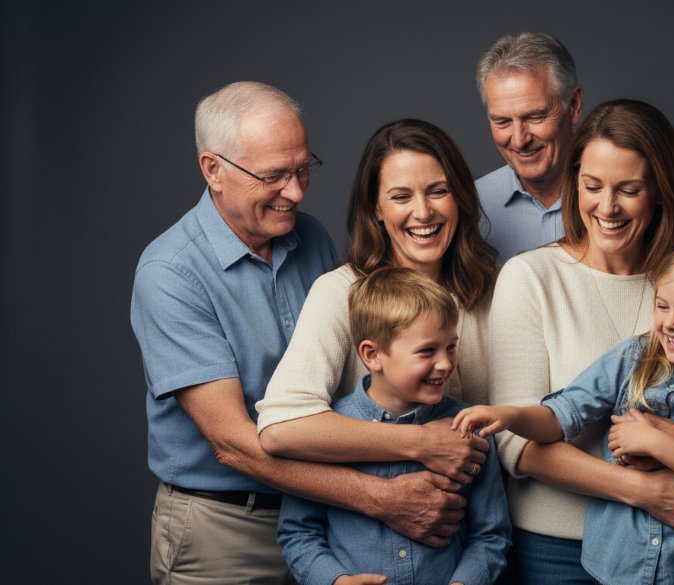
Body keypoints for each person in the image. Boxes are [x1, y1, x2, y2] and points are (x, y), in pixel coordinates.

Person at [485, 98, 674, 585]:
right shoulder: (530, 278)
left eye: (629, 189)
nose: (607, 207)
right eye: (592, 186)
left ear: (659, 192)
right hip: (556, 552)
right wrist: (644, 491)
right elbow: (515, 443)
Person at [455, 240, 674, 585]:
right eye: (662, 306)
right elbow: (561, 416)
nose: (670, 323)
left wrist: (657, 442)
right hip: (616, 564)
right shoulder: (634, 358)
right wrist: (510, 417)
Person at [132, 81, 343, 584]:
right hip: (224, 528)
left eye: (302, 169)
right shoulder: (169, 272)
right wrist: (378, 497)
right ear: (213, 169)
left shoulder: (311, 237)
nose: (295, 192)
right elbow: (233, 443)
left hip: (320, 523)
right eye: (274, 176)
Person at [256, 120, 499, 546]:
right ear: (376, 209)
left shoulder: (493, 291)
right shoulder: (340, 294)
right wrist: (419, 443)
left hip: (481, 541)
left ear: (460, 197)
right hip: (374, 544)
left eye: (438, 191)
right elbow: (281, 428)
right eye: (400, 196)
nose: (423, 212)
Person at [278, 267, 511, 585]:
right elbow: (298, 533)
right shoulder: (328, 431)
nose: (444, 363)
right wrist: (335, 580)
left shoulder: (471, 429)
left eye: (451, 347)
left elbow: (491, 535)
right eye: (427, 350)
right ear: (372, 355)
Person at [474, 31, 583, 263]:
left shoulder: (616, 200)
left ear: (573, 105)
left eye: (535, 117)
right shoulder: (469, 207)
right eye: (502, 121)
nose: (519, 140)